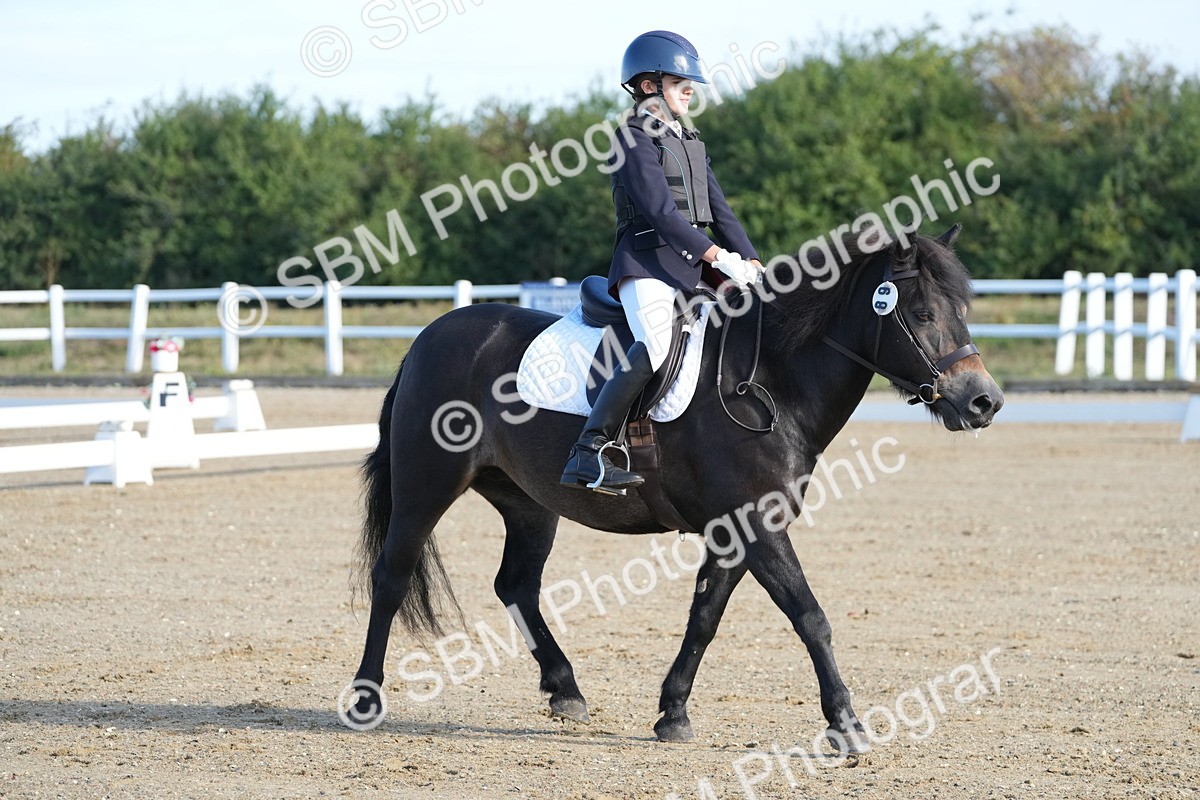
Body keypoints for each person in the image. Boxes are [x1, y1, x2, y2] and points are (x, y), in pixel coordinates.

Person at [560, 29, 762, 495]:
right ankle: (587, 452)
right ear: (650, 85)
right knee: (655, 343)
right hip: (645, 264)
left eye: (690, 83)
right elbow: (661, 213)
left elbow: (721, 211)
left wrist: (751, 262)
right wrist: (716, 257)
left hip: (690, 267)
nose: (690, 90)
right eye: (679, 82)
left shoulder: (689, 139)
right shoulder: (631, 138)